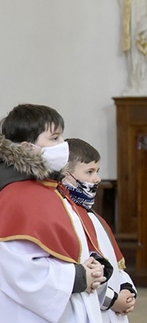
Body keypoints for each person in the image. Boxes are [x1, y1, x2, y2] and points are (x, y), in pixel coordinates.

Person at [0, 104, 109, 322]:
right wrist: (80, 276)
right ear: (28, 147)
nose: (63, 145)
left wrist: (91, 264)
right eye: (54, 138)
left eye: (62, 137)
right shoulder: (17, 197)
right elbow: (21, 272)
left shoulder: (48, 188)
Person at [63, 138, 138, 321]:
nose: (97, 179)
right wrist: (113, 301)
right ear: (65, 175)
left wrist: (127, 289)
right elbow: (86, 271)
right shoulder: (66, 216)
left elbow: (114, 264)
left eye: (97, 171)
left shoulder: (93, 217)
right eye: (89, 172)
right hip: (94, 309)